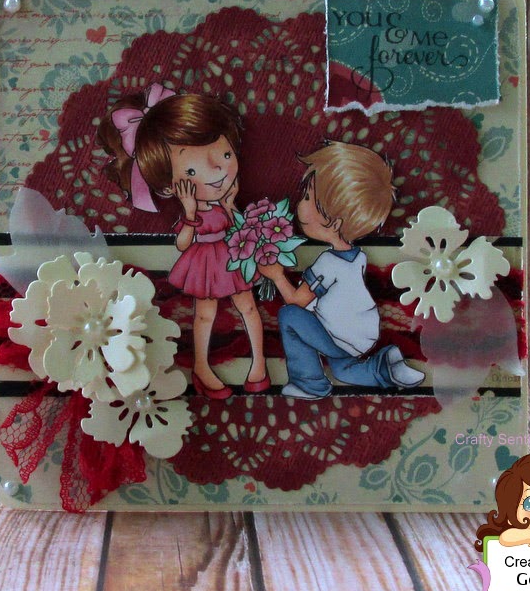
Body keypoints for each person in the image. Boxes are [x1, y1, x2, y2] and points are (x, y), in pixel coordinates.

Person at [99, 85, 268, 399]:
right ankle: (201, 368)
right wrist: (189, 212)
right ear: (167, 186)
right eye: (192, 169)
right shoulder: (192, 210)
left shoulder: (224, 200)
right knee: (204, 314)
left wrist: (231, 206)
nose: (219, 170)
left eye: (226, 154)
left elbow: (238, 227)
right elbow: (182, 243)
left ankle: (259, 365)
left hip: (231, 256)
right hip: (204, 262)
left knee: (249, 306)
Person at [258, 140, 425, 399]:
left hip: (338, 334)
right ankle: (385, 367)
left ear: (334, 223)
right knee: (343, 371)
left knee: (289, 316)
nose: (300, 204)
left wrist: (277, 276)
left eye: (308, 198)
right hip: (361, 334)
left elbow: (297, 301)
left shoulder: (328, 263)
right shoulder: (357, 256)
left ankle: (310, 383)